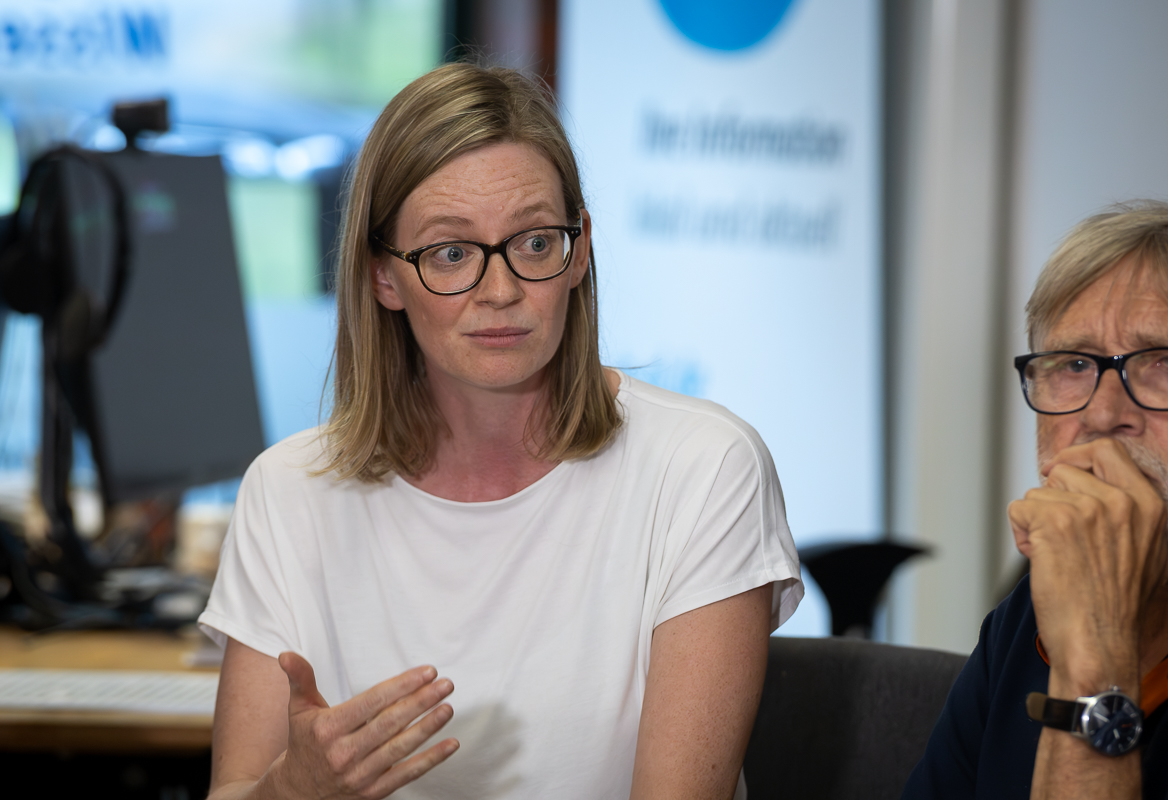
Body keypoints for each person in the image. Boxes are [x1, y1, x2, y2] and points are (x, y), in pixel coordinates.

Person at [198, 63, 802, 800]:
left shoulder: (703, 469)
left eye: (535, 243)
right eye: (451, 253)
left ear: (579, 251)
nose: (501, 289)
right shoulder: (289, 490)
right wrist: (291, 790)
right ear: (384, 277)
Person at [902, 201, 1168, 799]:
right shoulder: (1027, 616)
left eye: (1161, 362)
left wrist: (1094, 659)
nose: (1103, 414)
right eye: (1074, 364)